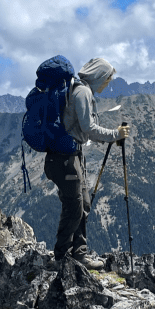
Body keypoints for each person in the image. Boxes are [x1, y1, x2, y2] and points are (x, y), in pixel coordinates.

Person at [44, 57, 131, 269]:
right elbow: (88, 128)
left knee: (83, 204)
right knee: (74, 207)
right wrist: (115, 134)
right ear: (99, 76)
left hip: (69, 156)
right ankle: (61, 257)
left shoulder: (79, 89)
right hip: (65, 159)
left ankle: (79, 254)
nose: (107, 84)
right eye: (107, 79)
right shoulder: (83, 92)